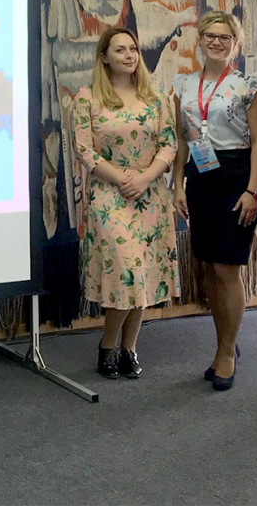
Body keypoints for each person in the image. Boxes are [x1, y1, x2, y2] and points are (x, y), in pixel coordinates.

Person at [72, 27, 177, 379]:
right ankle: (108, 344)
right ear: (104, 57)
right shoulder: (87, 98)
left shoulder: (155, 96)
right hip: (108, 193)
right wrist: (121, 178)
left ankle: (129, 348)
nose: (129, 55)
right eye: (120, 50)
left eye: (133, 49)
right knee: (126, 269)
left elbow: (169, 144)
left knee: (142, 274)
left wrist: (145, 177)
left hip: (150, 193)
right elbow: (84, 150)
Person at [172, 11, 257, 391]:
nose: (216, 42)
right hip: (200, 177)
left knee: (228, 269)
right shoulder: (182, 85)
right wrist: (177, 185)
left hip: (235, 179)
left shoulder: (249, 86)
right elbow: (182, 139)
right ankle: (224, 340)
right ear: (200, 40)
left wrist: (253, 190)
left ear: (235, 44)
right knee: (211, 267)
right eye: (210, 35)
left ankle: (227, 351)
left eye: (224, 37)